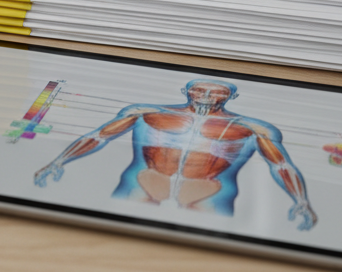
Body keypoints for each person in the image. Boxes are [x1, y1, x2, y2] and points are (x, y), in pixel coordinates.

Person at [33, 79, 317, 230]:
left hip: (207, 192)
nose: (206, 95)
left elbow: (280, 165)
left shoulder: (250, 128)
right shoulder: (147, 112)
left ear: (230, 97)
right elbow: (98, 136)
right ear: (186, 91)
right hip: (145, 183)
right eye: (199, 89)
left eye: (216, 92)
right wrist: (58, 161)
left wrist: (301, 200)